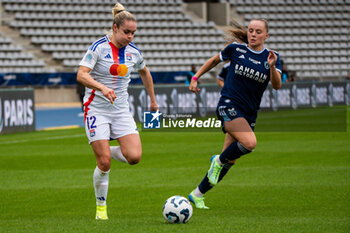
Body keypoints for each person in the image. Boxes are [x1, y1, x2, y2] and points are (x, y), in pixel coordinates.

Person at [188, 19, 282, 209]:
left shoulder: (272, 57)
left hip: (249, 113)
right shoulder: (236, 49)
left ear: (266, 35)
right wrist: (196, 77)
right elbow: (214, 60)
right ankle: (217, 160)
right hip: (229, 104)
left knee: (229, 159)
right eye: (250, 30)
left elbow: (277, 85)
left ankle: (197, 194)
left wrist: (272, 66)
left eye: (258, 31)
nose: (253, 34)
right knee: (250, 143)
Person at [76, 2, 158, 220]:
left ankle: (102, 149)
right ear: (115, 28)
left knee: (134, 157)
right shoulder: (98, 48)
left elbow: (145, 73)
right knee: (103, 163)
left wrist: (153, 99)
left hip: (121, 110)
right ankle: (101, 208)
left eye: (133, 33)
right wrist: (102, 87)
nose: (130, 36)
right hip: (96, 108)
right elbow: (81, 74)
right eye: (126, 32)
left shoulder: (134, 53)